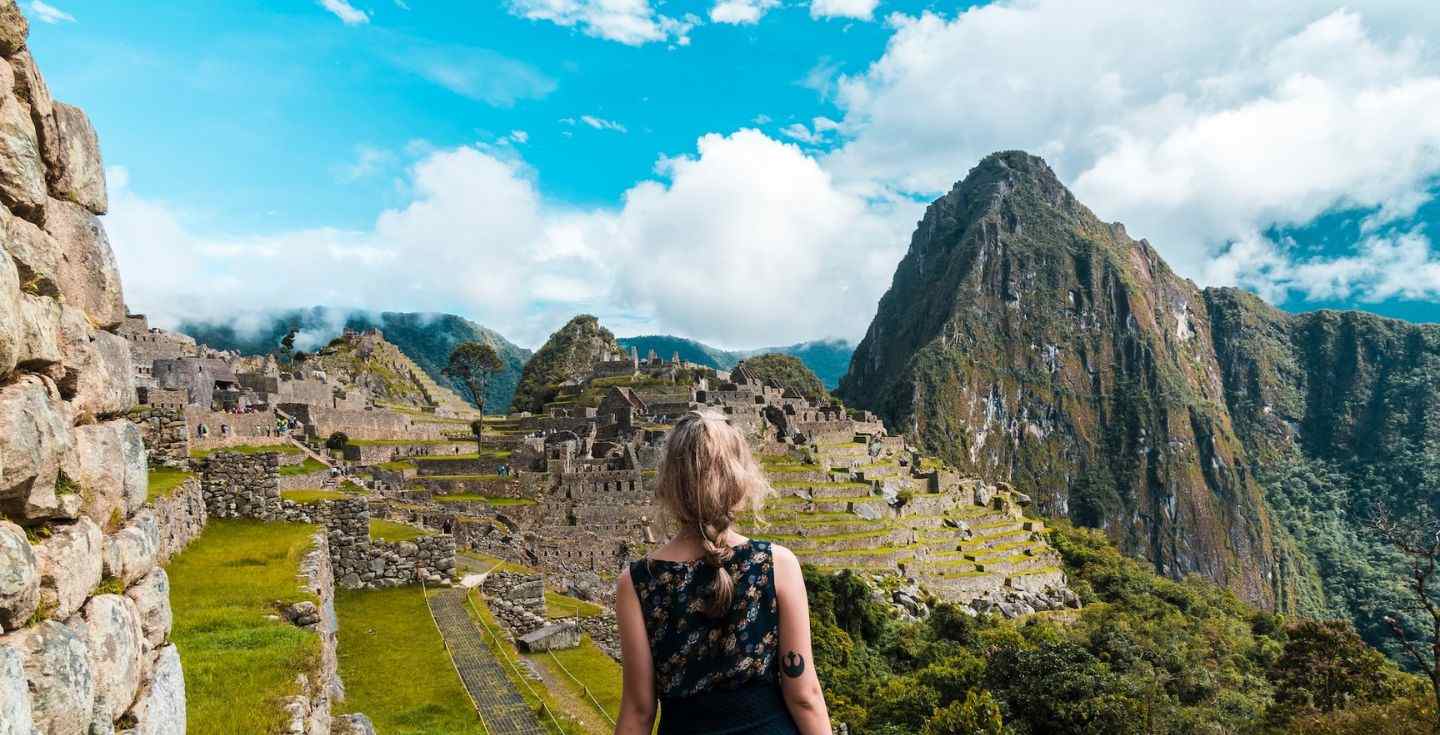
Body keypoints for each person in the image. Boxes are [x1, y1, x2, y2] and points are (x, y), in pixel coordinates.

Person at [615, 412, 832, 735]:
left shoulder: (637, 582)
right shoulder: (777, 565)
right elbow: (804, 695)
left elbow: (639, 710)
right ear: (739, 479)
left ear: (670, 483)